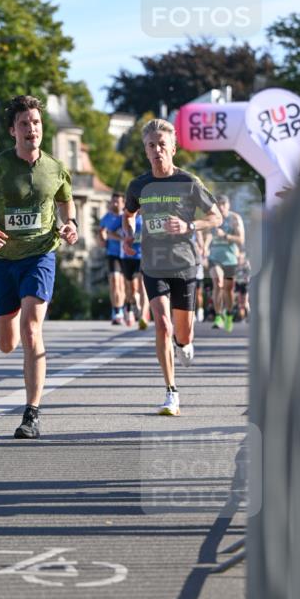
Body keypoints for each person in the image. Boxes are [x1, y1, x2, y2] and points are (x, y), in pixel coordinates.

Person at [0, 95, 78, 439]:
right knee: (7, 342)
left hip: (40, 254)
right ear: (13, 130)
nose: (32, 129)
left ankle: (32, 412)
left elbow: (65, 199)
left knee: (32, 328)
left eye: (36, 123)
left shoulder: (55, 167)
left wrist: (70, 223)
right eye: (25, 124)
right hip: (2, 260)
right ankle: (10, 330)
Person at [123, 119, 222, 417]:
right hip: (153, 264)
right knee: (162, 324)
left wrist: (190, 224)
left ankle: (184, 343)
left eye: (161, 145)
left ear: (173, 148)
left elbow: (216, 217)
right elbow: (129, 214)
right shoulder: (138, 185)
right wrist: (128, 234)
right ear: (146, 151)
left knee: (184, 332)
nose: (156, 150)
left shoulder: (188, 182)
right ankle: (171, 392)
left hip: (185, 264)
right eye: (151, 146)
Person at [203, 194, 245, 332]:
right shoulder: (213, 218)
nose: (220, 207)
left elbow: (241, 240)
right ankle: (218, 315)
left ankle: (228, 314)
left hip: (230, 259)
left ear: (228, 205)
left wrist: (225, 236)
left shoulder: (235, 219)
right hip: (215, 257)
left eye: (223, 204)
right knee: (218, 282)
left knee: (228, 289)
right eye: (218, 204)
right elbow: (208, 233)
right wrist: (205, 247)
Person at [98, 193, 126, 325]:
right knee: (114, 282)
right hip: (113, 253)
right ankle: (117, 311)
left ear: (123, 203)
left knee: (124, 285)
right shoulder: (106, 218)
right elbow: (102, 235)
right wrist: (103, 238)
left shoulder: (127, 217)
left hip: (128, 254)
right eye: (113, 201)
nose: (114, 204)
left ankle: (127, 307)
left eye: (117, 202)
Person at [119, 212, 149, 329]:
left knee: (143, 286)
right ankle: (130, 307)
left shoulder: (148, 217)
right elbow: (110, 231)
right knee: (130, 289)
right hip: (127, 257)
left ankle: (143, 317)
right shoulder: (125, 216)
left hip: (142, 257)